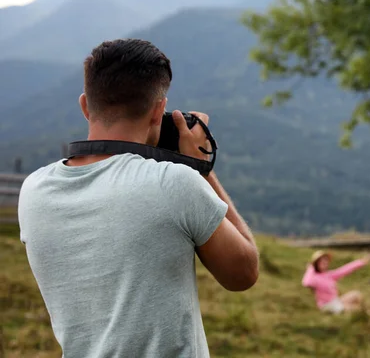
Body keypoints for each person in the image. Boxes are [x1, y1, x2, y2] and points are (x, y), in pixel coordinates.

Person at [17, 38, 259, 358]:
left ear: (85, 105)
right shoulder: (175, 183)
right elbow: (243, 273)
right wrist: (200, 167)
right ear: (159, 110)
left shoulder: (34, 189)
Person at [301, 250, 370, 314]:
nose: (324, 262)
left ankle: (365, 313)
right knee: (358, 309)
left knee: (356, 294)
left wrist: (361, 262)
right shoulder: (314, 277)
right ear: (316, 264)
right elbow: (306, 283)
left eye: (326, 260)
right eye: (321, 261)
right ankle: (365, 316)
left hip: (336, 301)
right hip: (327, 306)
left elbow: (344, 270)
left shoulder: (329, 275)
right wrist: (311, 268)